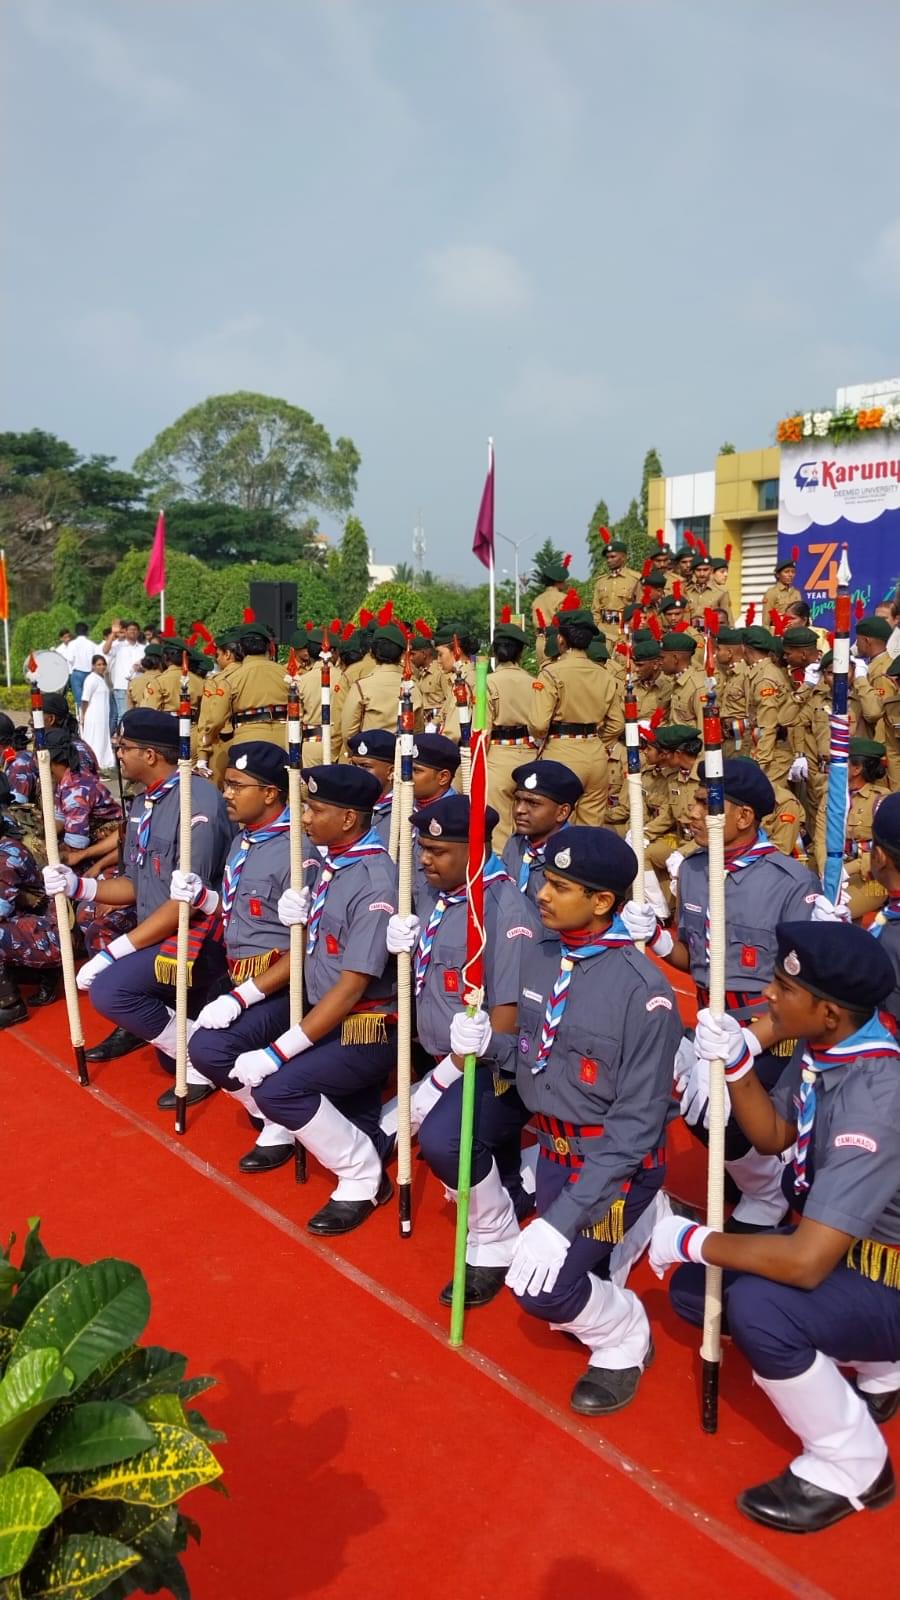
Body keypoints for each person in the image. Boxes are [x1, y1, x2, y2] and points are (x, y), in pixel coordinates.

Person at [653, 922, 899, 1533]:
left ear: (828, 1011)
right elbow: (774, 1135)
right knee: (697, 1293)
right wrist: (738, 1065)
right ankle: (878, 1363)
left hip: (881, 1268)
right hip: (846, 1246)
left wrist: (693, 1238)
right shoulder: (829, 1049)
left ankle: (856, 1465)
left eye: (784, 988)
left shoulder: (876, 1097)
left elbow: (806, 1263)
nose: (767, 995)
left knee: (759, 1308)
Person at [465, 827, 682, 1413]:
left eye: (560, 887)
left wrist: (560, 1222)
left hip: (615, 1166)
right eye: (545, 880)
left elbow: (634, 1128)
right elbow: (536, 1053)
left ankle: (625, 1335)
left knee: (541, 1291)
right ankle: (621, 1246)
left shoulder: (644, 992)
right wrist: (490, 1043)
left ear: (603, 901)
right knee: (566, 1267)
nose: (541, 893)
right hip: (554, 1152)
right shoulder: (542, 957)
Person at [624, 757, 825, 1230]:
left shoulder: (790, 882)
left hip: (773, 1034)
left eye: (705, 803)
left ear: (744, 816)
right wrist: (656, 938)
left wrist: (744, 1043)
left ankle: (768, 1188)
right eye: (694, 801)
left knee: (718, 1110)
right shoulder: (695, 871)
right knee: (670, 1090)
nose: (691, 812)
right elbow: (693, 959)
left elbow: (805, 992)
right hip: (711, 1024)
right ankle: (750, 1166)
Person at [231, 764, 399, 1235]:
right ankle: (358, 1133)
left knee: (276, 1087)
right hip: (320, 1008)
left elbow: (352, 986)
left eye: (315, 809)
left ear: (348, 819)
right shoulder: (333, 862)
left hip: (363, 1025)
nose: (304, 818)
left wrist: (279, 1051)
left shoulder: (373, 880)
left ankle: (364, 1175)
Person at [390, 793, 541, 1303]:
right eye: (423, 848)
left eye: (438, 851)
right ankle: (510, 1181)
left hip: (498, 1068)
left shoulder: (503, 911)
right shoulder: (437, 892)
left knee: (443, 1141)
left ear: (473, 853)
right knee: (397, 1132)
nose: (424, 860)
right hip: (443, 1056)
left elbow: (507, 1019)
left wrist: (442, 1080)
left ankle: (496, 1239)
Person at [43, 708, 232, 1070]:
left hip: (197, 939)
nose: (118, 754)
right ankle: (181, 1033)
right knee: (162, 1055)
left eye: (124, 747)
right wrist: (78, 886)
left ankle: (196, 1056)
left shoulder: (198, 804)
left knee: (109, 990)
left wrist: (115, 953)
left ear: (150, 755)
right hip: (157, 928)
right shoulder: (146, 802)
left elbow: (189, 903)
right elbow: (134, 882)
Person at [177, 743, 298, 1168]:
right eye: (226, 784)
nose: (226, 794)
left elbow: (306, 945)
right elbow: (242, 911)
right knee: (182, 1048)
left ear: (269, 793)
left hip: (280, 982)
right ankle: (262, 1101)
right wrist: (204, 899)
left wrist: (243, 997)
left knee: (208, 1050)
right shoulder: (245, 839)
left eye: (236, 786)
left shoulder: (296, 850)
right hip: (237, 968)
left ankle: (282, 1118)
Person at [530, 596, 624, 826]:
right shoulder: (604, 675)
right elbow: (616, 723)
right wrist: (597, 742)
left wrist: (545, 740)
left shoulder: (551, 673)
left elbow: (539, 724)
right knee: (591, 827)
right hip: (595, 753)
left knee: (558, 825)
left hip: (562, 751)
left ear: (561, 639)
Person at [0, 780, 62, 1022]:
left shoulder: (5, 855)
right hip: (31, 924)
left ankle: (10, 1006)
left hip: (53, 935)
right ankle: (37, 974)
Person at [485, 610, 539, 850]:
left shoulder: (487, 682)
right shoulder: (534, 682)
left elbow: (483, 730)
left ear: (494, 652)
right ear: (521, 653)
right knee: (527, 825)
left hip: (496, 755)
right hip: (528, 752)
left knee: (498, 830)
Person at [501, 760, 582, 905]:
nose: (519, 810)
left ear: (562, 812)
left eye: (533, 803)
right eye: (517, 800)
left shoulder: (575, 856)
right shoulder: (516, 842)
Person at [341, 617, 424, 739]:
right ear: (402, 654)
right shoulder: (413, 687)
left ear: (372, 652)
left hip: (369, 749)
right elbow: (418, 732)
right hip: (404, 749)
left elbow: (348, 733)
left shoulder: (361, 687)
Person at [346, 729, 396, 847]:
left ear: (391, 771)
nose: (357, 772)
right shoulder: (349, 802)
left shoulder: (403, 811)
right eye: (354, 765)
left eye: (365, 766)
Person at [590, 534, 640, 640]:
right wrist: (597, 629)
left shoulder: (635, 579)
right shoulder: (601, 581)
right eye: (607, 557)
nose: (609, 560)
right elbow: (595, 609)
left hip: (624, 629)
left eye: (613, 557)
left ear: (624, 557)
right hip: (603, 630)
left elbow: (640, 606)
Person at [79, 655, 115, 770]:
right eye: (99, 664)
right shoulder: (91, 679)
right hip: (93, 716)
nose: (101, 667)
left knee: (102, 738)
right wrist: (83, 715)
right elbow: (85, 699)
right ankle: (94, 763)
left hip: (103, 716)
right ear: (93, 666)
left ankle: (104, 762)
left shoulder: (102, 679)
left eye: (103, 664)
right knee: (95, 739)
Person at [761, 555, 802, 627]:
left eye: (793, 572)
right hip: (779, 631)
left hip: (795, 631)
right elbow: (766, 621)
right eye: (786, 572)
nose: (790, 575)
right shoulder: (772, 592)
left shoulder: (796, 593)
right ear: (778, 575)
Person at [68, 622, 100, 706]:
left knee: (79, 701)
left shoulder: (72, 644)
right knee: (91, 699)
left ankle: (81, 713)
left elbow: (70, 659)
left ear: (75, 632)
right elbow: (97, 658)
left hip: (77, 673)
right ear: (87, 631)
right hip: (90, 673)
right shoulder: (92, 644)